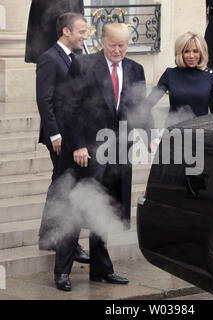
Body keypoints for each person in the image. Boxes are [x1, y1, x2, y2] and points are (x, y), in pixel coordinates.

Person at [54, 23, 152, 291]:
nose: (117, 50)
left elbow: (139, 107)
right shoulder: (82, 65)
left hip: (118, 152)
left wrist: (149, 134)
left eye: (122, 46)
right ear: (102, 42)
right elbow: (68, 108)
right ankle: (62, 272)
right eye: (112, 45)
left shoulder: (135, 69)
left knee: (104, 210)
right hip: (85, 153)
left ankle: (101, 269)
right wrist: (77, 145)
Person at [36, 12, 90, 265]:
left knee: (60, 182)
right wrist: (54, 133)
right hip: (58, 134)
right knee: (65, 184)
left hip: (74, 131)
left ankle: (51, 236)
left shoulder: (77, 58)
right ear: (66, 32)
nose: (85, 35)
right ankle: (65, 241)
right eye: (81, 31)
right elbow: (44, 99)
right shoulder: (49, 59)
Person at [147, 31, 213, 127]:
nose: (191, 56)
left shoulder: (211, 75)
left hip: (201, 130)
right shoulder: (170, 74)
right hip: (175, 132)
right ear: (180, 53)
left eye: (195, 51)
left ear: (201, 53)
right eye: (187, 51)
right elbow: (149, 103)